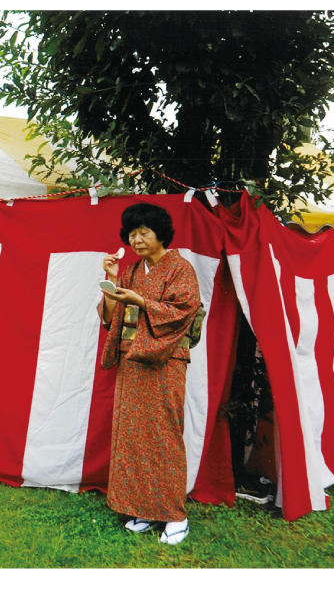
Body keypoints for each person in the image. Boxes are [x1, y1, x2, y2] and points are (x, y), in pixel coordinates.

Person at [98, 203, 202, 546]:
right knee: (133, 434)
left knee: (163, 434)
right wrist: (112, 282)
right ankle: (144, 508)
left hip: (165, 361)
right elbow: (111, 317)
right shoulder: (130, 271)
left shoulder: (180, 268)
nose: (137, 240)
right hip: (132, 360)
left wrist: (141, 302)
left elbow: (183, 311)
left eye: (144, 232)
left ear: (160, 233)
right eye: (132, 234)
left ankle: (175, 515)